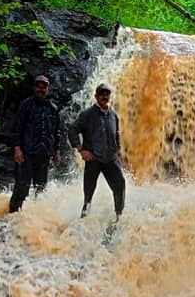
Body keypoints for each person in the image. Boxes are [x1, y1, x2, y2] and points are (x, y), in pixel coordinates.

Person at [68, 82, 125, 220]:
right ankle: (83, 220)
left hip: (110, 159)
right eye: (101, 94)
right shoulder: (87, 114)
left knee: (120, 185)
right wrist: (81, 149)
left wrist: (118, 151)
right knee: (89, 193)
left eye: (107, 94)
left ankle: (119, 216)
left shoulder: (113, 115)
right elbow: (72, 130)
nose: (104, 97)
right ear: (96, 96)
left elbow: (116, 134)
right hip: (93, 159)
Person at [8, 75, 61, 213]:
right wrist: (17, 149)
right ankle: (12, 216)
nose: (41, 89)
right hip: (27, 154)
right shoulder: (26, 105)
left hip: (44, 154)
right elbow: (17, 128)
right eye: (38, 86)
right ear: (34, 88)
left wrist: (56, 151)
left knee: (41, 189)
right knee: (21, 187)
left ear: (48, 89)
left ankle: (35, 217)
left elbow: (56, 131)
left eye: (44, 87)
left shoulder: (53, 108)